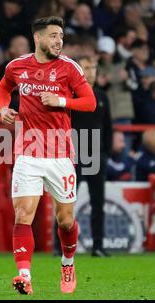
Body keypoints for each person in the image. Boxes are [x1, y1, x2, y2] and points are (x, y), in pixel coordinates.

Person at [0, 16, 96, 295]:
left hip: (60, 153)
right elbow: (4, 88)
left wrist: (62, 101)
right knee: (23, 215)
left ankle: (67, 263)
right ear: (37, 38)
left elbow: (90, 102)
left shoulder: (69, 69)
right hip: (27, 151)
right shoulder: (17, 66)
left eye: (61, 36)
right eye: (53, 36)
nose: (59, 41)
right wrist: (3, 108)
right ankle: (24, 276)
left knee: (64, 220)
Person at [53, 55, 112, 257]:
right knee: (66, 202)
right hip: (72, 155)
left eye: (93, 67)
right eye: (86, 67)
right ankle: (58, 246)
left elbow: (108, 127)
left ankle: (98, 246)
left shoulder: (102, 96)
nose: (91, 72)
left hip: (96, 154)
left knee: (98, 203)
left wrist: (106, 153)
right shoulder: (68, 94)